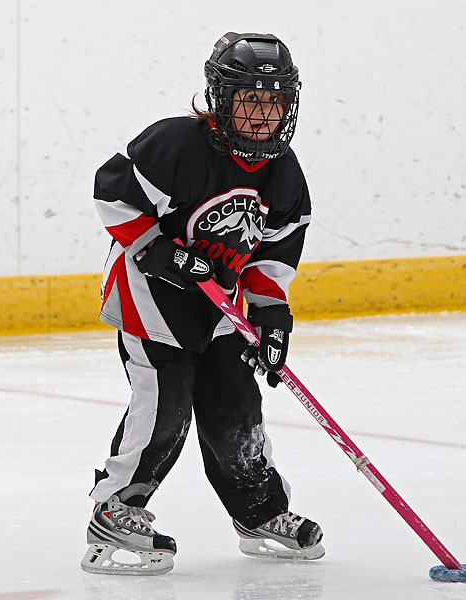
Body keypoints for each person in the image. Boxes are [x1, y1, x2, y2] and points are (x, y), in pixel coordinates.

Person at [80, 32, 321, 576]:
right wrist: (160, 251)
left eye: (274, 100)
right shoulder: (178, 145)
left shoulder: (284, 172)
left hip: (219, 312)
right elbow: (113, 193)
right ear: (221, 97)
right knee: (165, 406)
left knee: (236, 410)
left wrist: (270, 315)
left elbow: (273, 254)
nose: (262, 112)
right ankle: (115, 507)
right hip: (149, 303)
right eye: (249, 98)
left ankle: (261, 514)